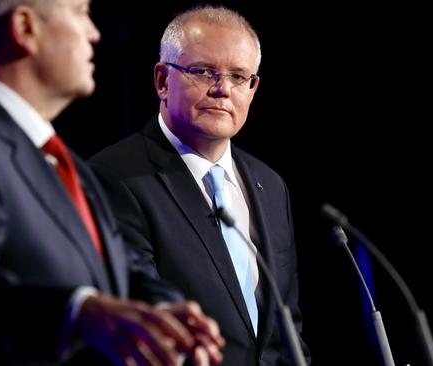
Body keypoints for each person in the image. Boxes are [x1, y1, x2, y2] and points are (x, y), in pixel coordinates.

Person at [0, 0, 224, 365]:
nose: (94, 33)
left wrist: (168, 311)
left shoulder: (63, 161)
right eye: (80, 12)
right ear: (26, 27)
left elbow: (121, 270)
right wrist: (77, 312)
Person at [89, 5, 309, 365]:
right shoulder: (114, 177)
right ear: (162, 80)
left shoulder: (270, 184)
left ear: (253, 88)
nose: (223, 89)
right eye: (203, 72)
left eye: (239, 76)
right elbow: (140, 315)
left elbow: (287, 328)